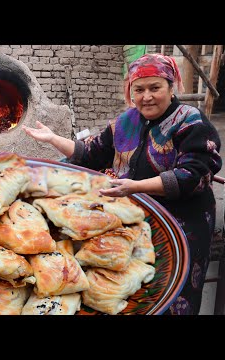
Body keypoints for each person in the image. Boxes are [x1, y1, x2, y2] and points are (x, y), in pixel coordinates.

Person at [23, 53, 222, 315]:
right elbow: (92, 153)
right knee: (138, 291)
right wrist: (53, 139)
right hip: (137, 221)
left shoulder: (191, 121)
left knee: (177, 295)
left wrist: (135, 187)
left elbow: (194, 175)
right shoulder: (126, 122)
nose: (146, 97)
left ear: (171, 87)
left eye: (155, 88)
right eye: (138, 89)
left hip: (185, 223)